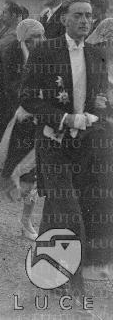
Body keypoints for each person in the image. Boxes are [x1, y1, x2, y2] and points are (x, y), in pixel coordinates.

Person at [20, 0, 109, 296]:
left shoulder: (97, 55)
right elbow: (29, 98)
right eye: (78, 15)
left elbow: (100, 99)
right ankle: (74, 276)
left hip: (84, 145)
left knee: (68, 207)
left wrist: (100, 110)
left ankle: (48, 270)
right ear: (64, 20)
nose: (85, 20)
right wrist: (66, 118)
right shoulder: (45, 51)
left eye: (89, 16)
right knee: (68, 209)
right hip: (53, 142)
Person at [0, 18, 45, 241]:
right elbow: (7, 86)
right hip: (8, 118)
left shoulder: (47, 55)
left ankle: (26, 220)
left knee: (32, 168)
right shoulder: (10, 55)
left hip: (35, 120)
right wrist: (27, 103)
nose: (36, 41)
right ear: (22, 38)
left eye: (39, 36)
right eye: (31, 38)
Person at [84, 17, 113, 280]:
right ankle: (90, 261)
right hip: (97, 140)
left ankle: (104, 260)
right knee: (97, 201)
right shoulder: (94, 66)